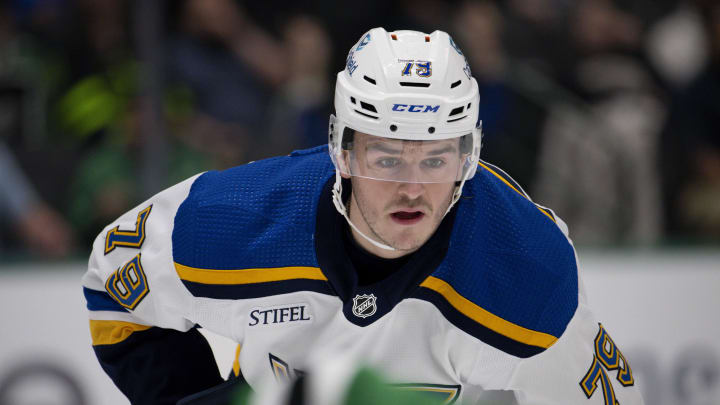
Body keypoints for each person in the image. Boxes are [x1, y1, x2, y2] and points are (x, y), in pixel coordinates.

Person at [82, 28, 644, 405]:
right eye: (387, 156)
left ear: (468, 158)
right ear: (343, 152)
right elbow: (114, 275)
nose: (412, 187)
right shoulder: (230, 221)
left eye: (436, 158)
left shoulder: (525, 274)